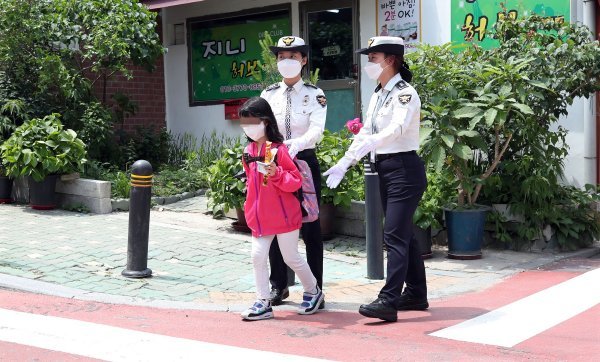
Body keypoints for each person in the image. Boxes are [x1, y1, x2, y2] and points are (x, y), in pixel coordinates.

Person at [323, 36, 428, 322]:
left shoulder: (405, 93)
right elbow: (365, 135)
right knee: (402, 232)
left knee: (393, 233)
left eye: (373, 58)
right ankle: (417, 293)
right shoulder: (377, 94)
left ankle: (388, 300)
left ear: (391, 59)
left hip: (404, 169)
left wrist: (374, 142)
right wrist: (344, 163)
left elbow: (397, 128)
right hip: (384, 168)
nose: (369, 63)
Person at [238, 96, 324, 321]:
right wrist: (250, 208)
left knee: (291, 258)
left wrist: (276, 174)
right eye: (244, 123)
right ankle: (263, 301)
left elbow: (295, 182)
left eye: (252, 122)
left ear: (265, 121)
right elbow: (251, 183)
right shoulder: (248, 151)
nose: (248, 128)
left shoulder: (279, 150)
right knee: (257, 256)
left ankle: (313, 291)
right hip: (260, 217)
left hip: (285, 217)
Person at [260, 36, 326, 307]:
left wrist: (292, 146)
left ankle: (316, 290)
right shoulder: (268, 94)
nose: (286, 62)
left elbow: (316, 130)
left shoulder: (315, 94)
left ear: (304, 60)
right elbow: (261, 128)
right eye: (281, 57)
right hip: (274, 162)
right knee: (276, 224)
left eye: (293, 57)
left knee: (310, 228)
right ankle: (279, 285)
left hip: (303, 164)